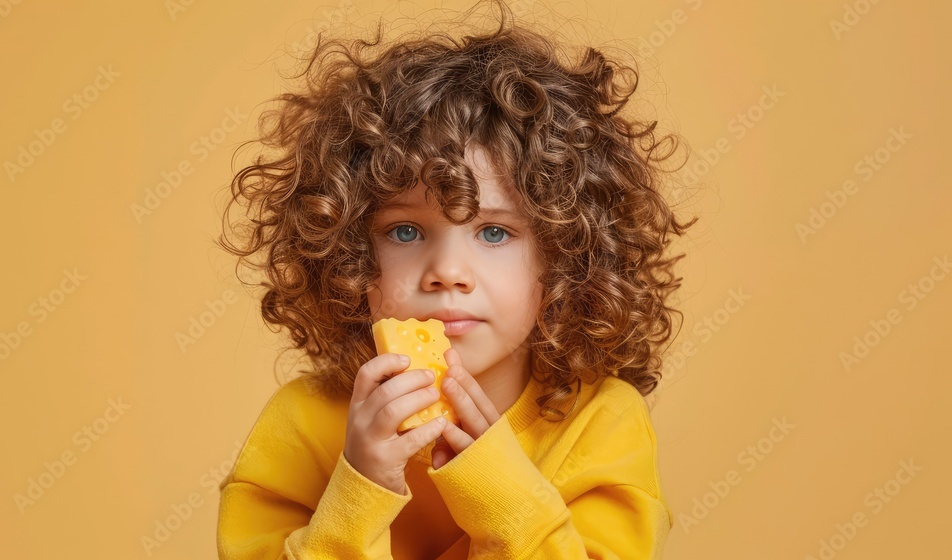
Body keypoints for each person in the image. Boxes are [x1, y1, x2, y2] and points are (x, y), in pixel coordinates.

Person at [215, 0, 697, 557]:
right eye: (404, 232)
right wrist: (360, 488)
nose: (447, 273)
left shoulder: (602, 422)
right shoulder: (302, 423)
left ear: (563, 259)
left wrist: (496, 488)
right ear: (346, 253)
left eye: (493, 233)